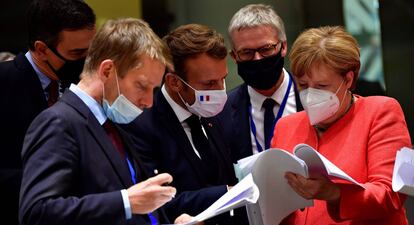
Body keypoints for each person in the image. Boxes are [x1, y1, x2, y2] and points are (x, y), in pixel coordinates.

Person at [19, 18, 179, 225]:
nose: (149, 102)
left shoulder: (112, 123)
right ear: (107, 71)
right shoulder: (58, 122)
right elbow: (37, 212)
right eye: (141, 86)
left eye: (154, 90)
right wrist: (126, 202)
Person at [271, 26, 412, 225]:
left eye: (321, 86)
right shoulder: (286, 126)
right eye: (303, 85)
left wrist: (334, 193)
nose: (310, 95)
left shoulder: (380, 112)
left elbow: (391, 194)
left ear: (348, 79)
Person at [121, 24, 244, 225]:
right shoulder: (140, 125)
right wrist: (228, 193)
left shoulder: (210, 110)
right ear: (174, 82)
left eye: (223, 79)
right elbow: (156, 203)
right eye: (209, 84)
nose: (220, 91)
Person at [0, 1, 95, 224]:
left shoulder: (89, 85)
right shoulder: (4, 83)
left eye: (91, 52)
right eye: (77, 53)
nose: (86, 62)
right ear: (42, 49)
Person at [224, 4, 303, 162]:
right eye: (246, 52)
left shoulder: (311, 95)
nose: (258, 59)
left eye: (266, 49)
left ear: (283, 47)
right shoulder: (223, 110)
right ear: (234, 56)